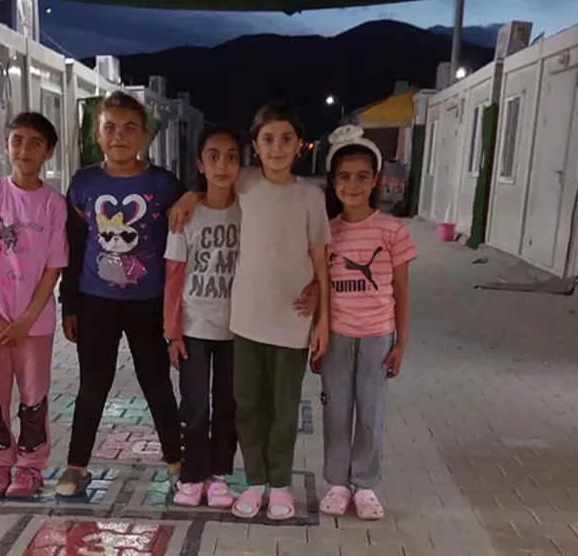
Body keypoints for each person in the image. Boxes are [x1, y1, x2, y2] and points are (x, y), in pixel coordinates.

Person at [169, 103, 331, 520]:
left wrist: (322, 315)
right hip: (244, 320)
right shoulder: (245, 181)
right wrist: (188, 195)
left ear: (299, 144)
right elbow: (211, 184)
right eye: (268, 139)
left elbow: (320, 258)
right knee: (247, 405)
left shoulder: (311, 196)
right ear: (255, 147)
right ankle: (254, 481)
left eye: (286, 139)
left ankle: (280, 485)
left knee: (284, 407)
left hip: (293, 320)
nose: (277, 148)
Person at [55, 91, 184, 497]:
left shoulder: (163, 183)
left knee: (157, 383)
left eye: (129, 128)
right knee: (93, 385)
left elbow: (184, 238)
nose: (119, 137)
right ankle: (76, 467)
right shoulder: (84, 183)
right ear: (97, 135)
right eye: (109, 128)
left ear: (145, 134)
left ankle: (177, 463)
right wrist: (69, 304)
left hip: (148, 303)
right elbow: (74, 247)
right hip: (95, 302)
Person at [0, 111, 68, 498]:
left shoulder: (53, 204)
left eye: (36, 143)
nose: (25, 150)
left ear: (48, 152)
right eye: (18, 140)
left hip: (33, 324)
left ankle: (31, 466)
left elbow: (54, 268)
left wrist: (26, 320)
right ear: (6, 146)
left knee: (33, 397)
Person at [313, 125, 417, 520]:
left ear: (375, 180)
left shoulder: (393, 230)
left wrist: (400, 343)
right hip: (337, 337)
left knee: (370, 414)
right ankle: (337, 483)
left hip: (378, 338)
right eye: (344, 177)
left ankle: (365, 484)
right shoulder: (326, 232)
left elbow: (402, 290)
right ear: (333, 181)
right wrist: (317, 335)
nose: (353, 185)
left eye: (361, 176)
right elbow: (320, 288)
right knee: (336, 412)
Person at [163, 126, 243, 508]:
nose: (222, 165)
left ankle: (220, 475)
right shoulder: (186, 216)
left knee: (228, 406)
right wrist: (172, 332)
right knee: (195, 408)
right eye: (213, 157)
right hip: (194, 327)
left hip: (238, 329)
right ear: (200, 164)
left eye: (231, 157)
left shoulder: (248, 212)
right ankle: (193, 476)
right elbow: (174, 275)